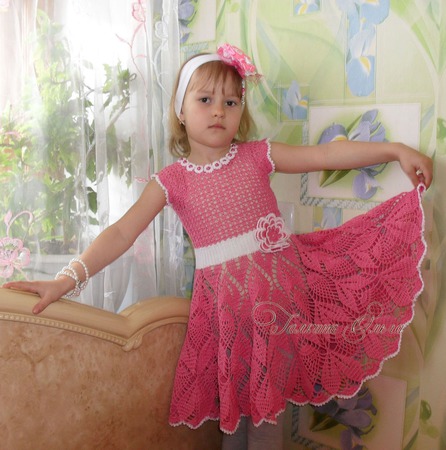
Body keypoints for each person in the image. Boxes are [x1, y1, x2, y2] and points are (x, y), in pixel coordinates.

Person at [3, 44, 433, 449]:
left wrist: (394, 149)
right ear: (181, 111)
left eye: (231, 102)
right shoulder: (172, 181)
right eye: (205, 99)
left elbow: (324, 157)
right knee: (237, 416)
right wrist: (65, 280)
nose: (218, 111)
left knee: (266, 420)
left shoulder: (257, 155)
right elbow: (120, 233)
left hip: (282, 304)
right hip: (229, 314)